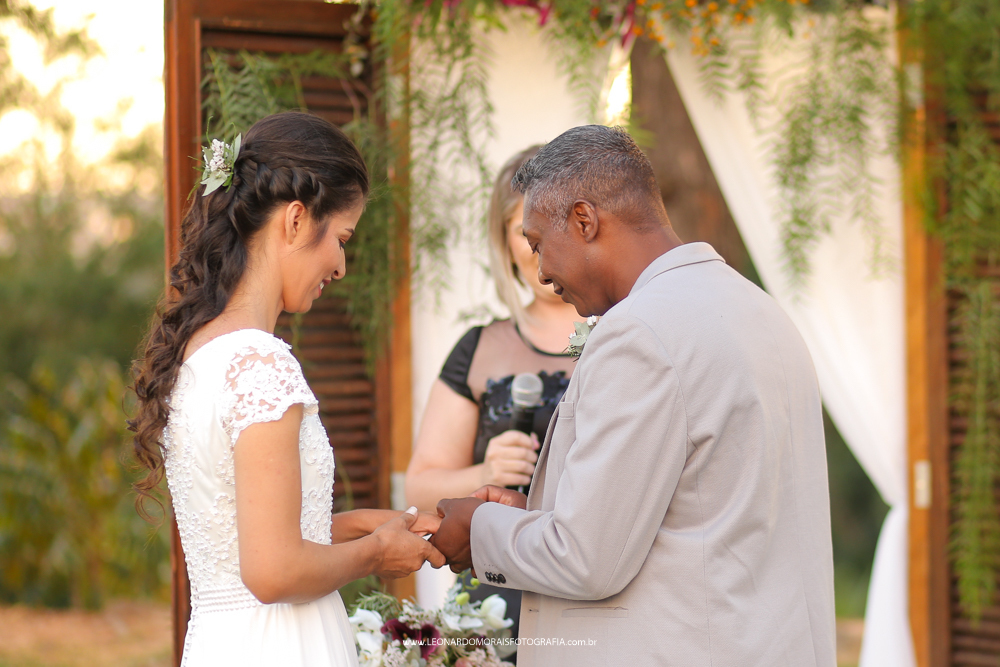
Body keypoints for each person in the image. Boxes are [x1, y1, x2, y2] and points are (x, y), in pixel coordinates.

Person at [431, 125, 837, 666]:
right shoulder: (759, 309)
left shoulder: (638, 332)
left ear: (584, 220)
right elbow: (702, 511)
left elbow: (587, 558)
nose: (544, 270)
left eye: (537, 243)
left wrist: (479, 530)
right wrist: (533, 515)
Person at [128, 111, 445, 667]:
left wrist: (364, 525)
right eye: (342, 238)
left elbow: (249, 533)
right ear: (296, 220)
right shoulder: (261, 364)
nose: (341, 265)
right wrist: (376, 554)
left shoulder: (202, 353)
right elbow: (273, 571)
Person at [405, 146, 582, 646]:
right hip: (498, 598)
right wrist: (483, 475)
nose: (542, 246)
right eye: (525, 231)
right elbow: (419, 486)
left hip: (594, 587)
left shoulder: (624, 334)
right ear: (505, 242)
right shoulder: (479, 348)